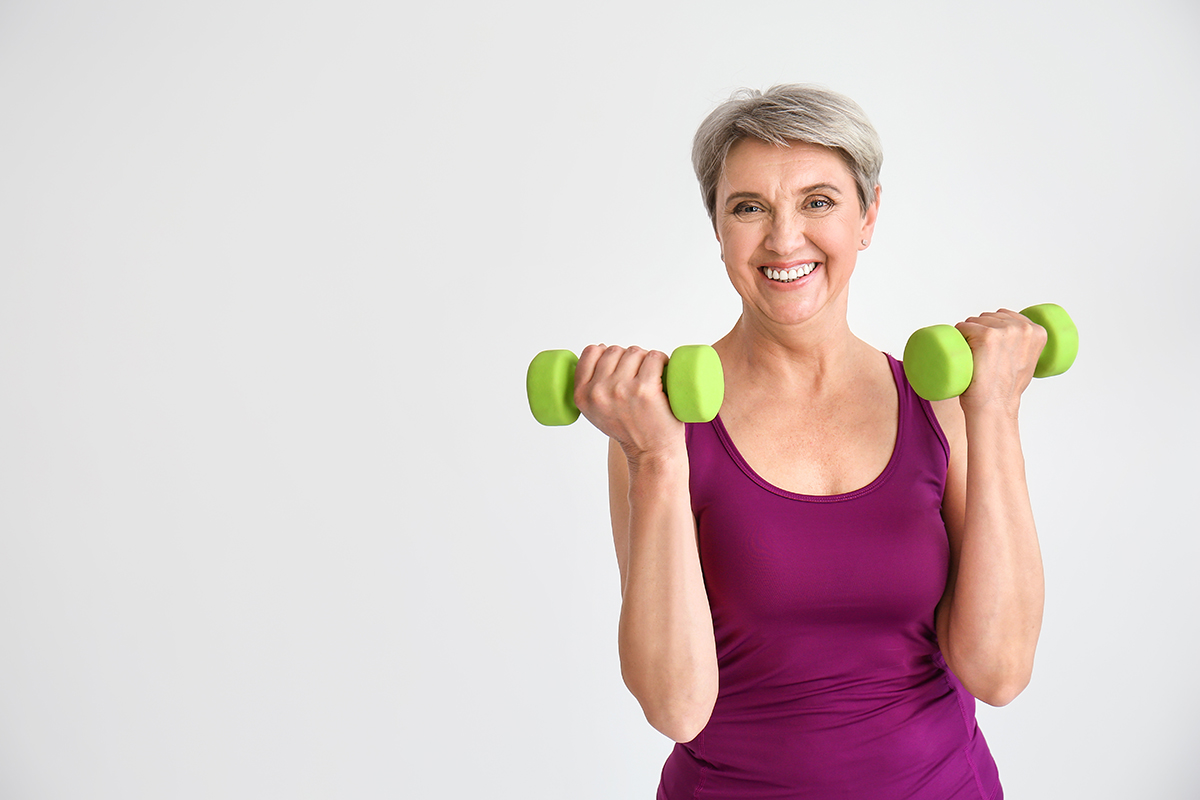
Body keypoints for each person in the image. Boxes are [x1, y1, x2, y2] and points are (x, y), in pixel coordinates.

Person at [573, 85, 1045, 798]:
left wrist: (997, 411)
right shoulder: (658, 424)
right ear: (718, 228)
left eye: (818, 201)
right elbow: (676, 708)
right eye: (748, 207)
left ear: (868, 216)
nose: (784, 238)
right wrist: (656, 460)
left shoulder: (943, 407)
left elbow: (999, 671)